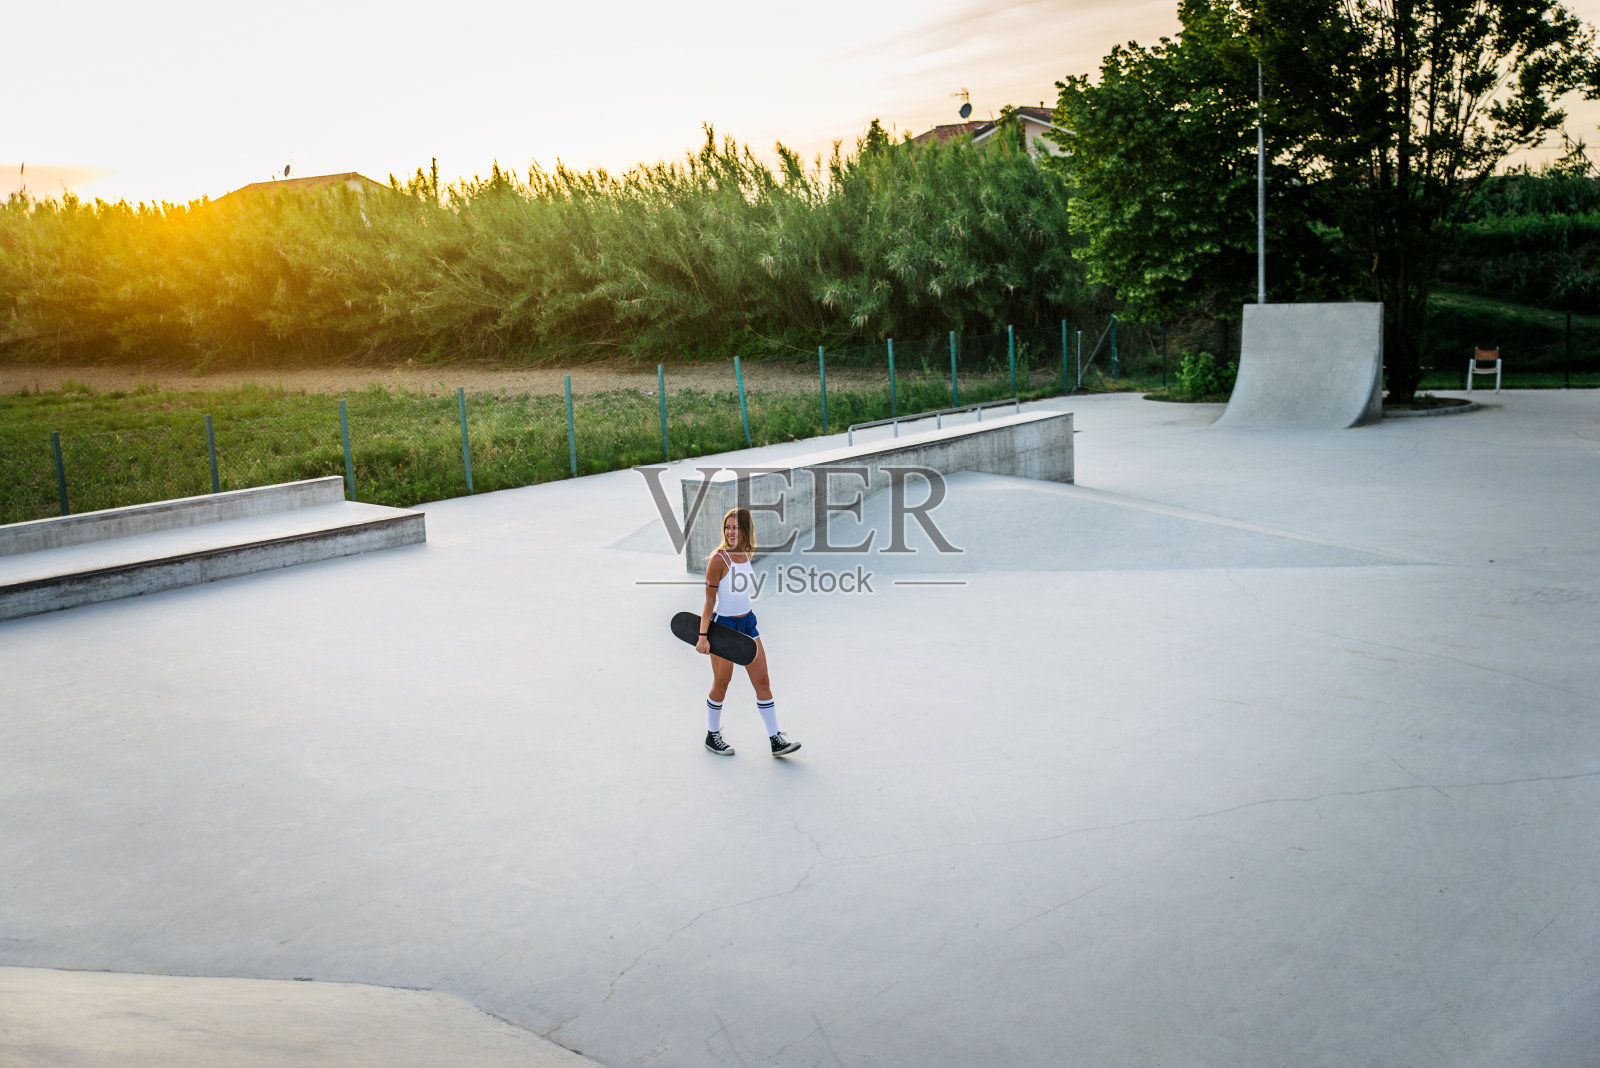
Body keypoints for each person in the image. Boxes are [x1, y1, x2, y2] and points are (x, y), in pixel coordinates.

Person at [696, 507, 801, 757]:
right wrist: (702, 636)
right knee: (722, 683)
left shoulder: (745, 553)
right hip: (723, 628)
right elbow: (709, 601)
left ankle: (776, 739)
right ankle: (712, 735)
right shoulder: (719, 560)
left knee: (762, 681)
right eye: (727, 527)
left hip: (748, 625)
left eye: (736, 527)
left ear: (745, 530)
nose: (731, 532)